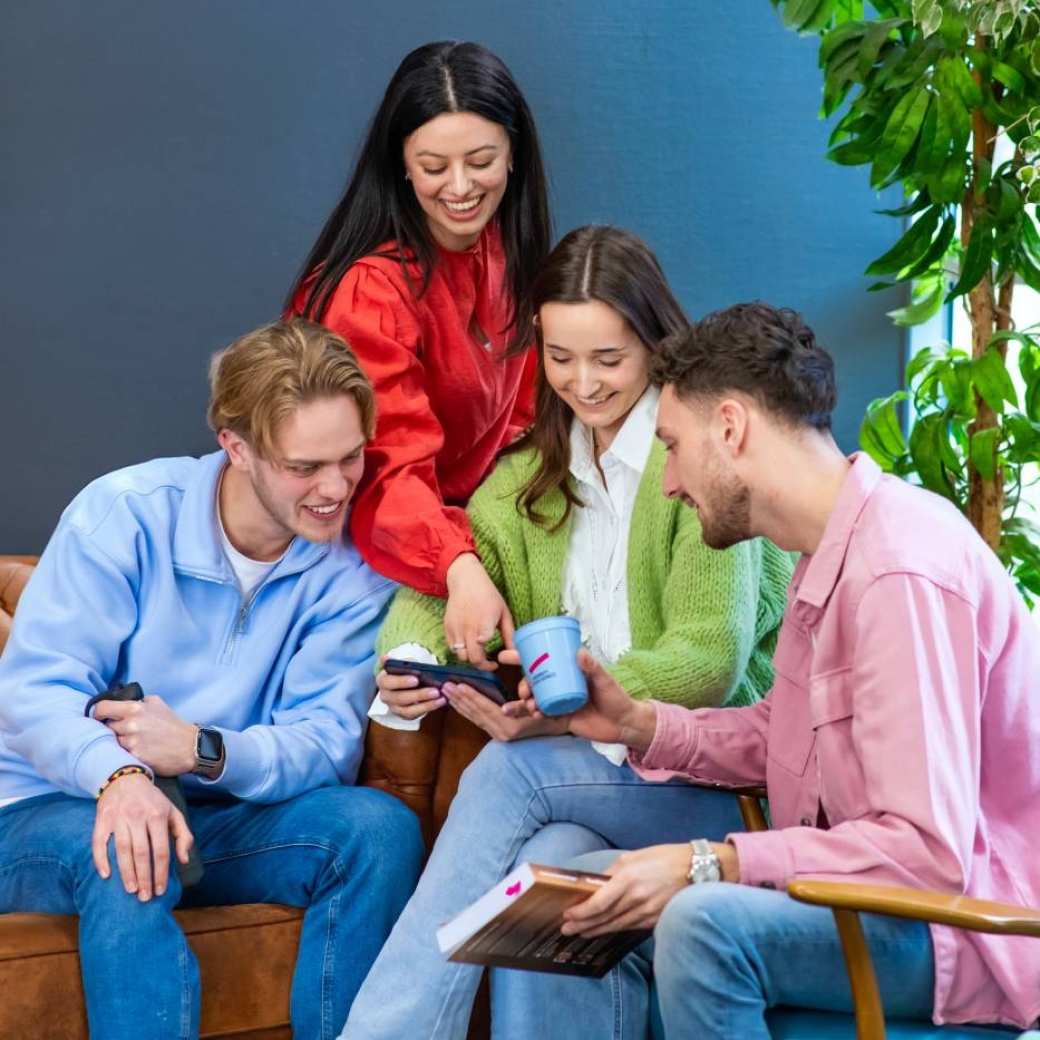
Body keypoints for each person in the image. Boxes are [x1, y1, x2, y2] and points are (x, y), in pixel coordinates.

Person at [502, 302, 1040, 1037]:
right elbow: (781, 732)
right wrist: (639, 723)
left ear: (730, 427)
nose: (668, 484)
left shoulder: (900, 568)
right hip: (866, 904)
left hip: (961, 929)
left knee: (703, 922)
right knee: (572, 885)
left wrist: (707, 862)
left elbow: (925, 852)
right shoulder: (826, 556)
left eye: (675, 446)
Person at [340, 228, 793, 1039]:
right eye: (559, 357)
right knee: (547, 867)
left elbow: (710, 663)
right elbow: (441, 581)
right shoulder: (532, 473)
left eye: (608, 360)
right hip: (600, 787)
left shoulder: (700, 465)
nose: (582, 383)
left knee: (512, 778)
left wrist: (569, 708)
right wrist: (412, 660)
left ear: (657, 346)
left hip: (722, 784)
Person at [0, 319, 424, 1040]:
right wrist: (120, 777)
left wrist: (203, 749)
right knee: (135, 849)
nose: (334, 488)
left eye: (350, 458)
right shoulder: (125, 516)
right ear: (236, 447)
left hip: (216, 814)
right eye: (304, 467)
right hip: (47, 806)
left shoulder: (351, 569)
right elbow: (35, 693)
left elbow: (323, 742)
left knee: (377, 831)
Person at [287, 40, 552, 666]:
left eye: (481, 160)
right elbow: (382, 469)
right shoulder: (369, 291)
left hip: (474, 532)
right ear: (401, 165)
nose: (460, 187)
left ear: (514, 155)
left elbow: (534, 418)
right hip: (377, 553)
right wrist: (458, 566)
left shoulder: (506, 255)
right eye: (434, 166)